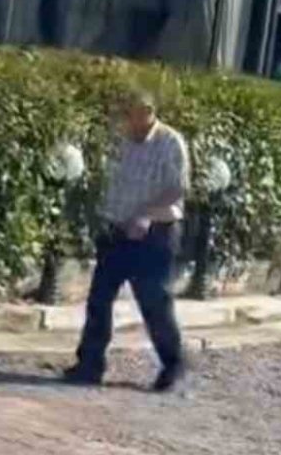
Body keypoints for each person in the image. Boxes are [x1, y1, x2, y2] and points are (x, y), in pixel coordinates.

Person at [64, 90, 189, 392]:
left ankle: (173, 366)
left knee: (154, 303)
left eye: (132, 116)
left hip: (153, 234)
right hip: (116, 231)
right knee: (99, 299)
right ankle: (90, 364)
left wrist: (146, 215)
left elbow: (177, 189)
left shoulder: (170, 143)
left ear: (147, 113)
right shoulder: (118, 140)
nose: (127, 123)